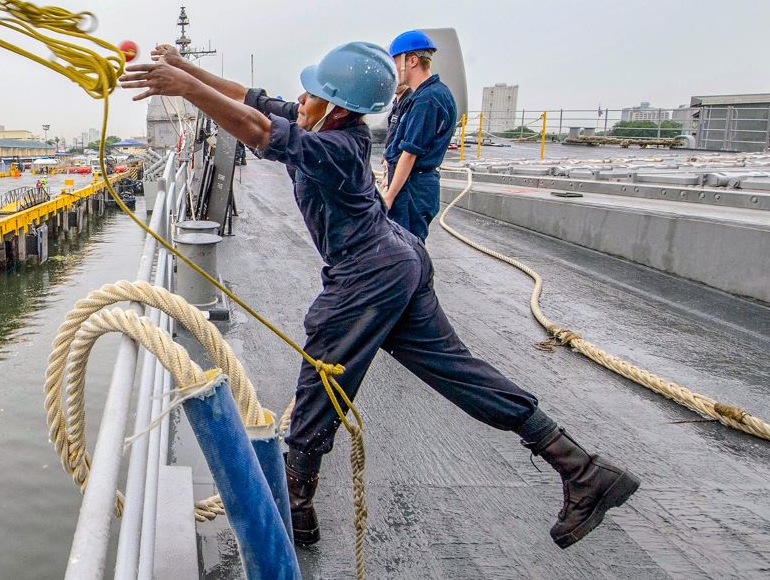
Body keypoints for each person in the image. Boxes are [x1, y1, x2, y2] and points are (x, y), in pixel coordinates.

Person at [119, 42, 639, 550]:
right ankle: (582, 469)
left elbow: (255, 129)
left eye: (310, 93)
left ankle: (296, 508)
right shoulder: (318, 123)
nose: (298, 100)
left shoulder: (336, 147)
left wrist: (182, 86)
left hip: (368, 273)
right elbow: (252, 100)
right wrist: (187, 69)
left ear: (336, 105)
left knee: (321, 375)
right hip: (398, 258)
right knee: (454, 369)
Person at [381, 30, 456, 241]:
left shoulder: (427, 99)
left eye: (395, 62)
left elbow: (410, 153)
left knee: (405, 250)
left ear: (412, 60)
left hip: (413, 188)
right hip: (414, 185)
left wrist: (389, 195)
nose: (393, 70)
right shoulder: (429, 94)